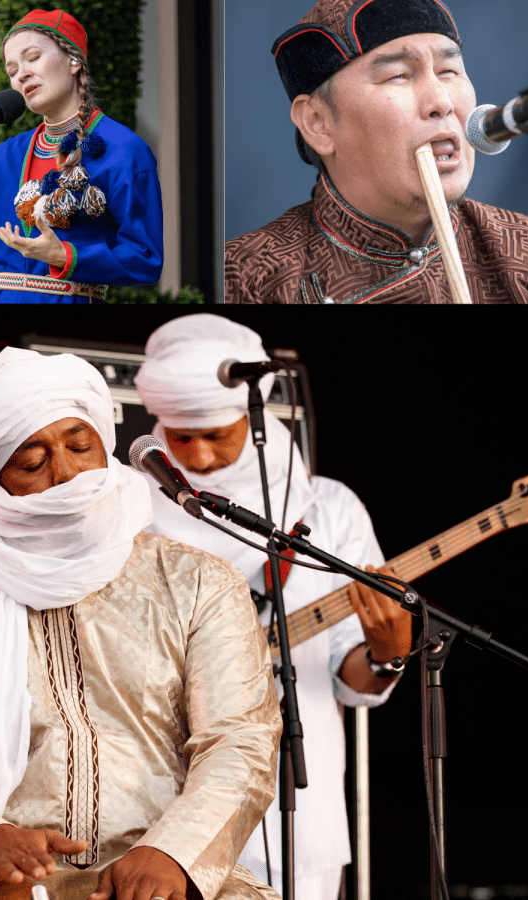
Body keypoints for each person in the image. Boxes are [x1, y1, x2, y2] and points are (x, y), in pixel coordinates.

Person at [0, 348, 281, 900]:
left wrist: (170, 853)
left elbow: (238, 742)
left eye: (81, 448)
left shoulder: (198, 581)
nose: (65, 474)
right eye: (33, 463)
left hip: (161, 874)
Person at [133, 315, 412, 899]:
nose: (201, 455)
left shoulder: (328, 510)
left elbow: (349, 679)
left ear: (253, 417)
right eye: (182, 437)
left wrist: (389, 653)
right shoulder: (125, 513)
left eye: (218, 433)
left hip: (297, 820)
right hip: (155, 818)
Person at [223, 0, 528, 305]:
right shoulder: (246, 277)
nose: (441, 102)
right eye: (399, 76)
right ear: (319, 123)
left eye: (450, 70)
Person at [0, 9, 163, 303]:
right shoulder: (3, 158)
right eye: (12, 71)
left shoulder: (124, 150)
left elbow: (145, 258)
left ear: (74, 60)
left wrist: (65, 256)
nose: (21, 73)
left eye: (33, 57)